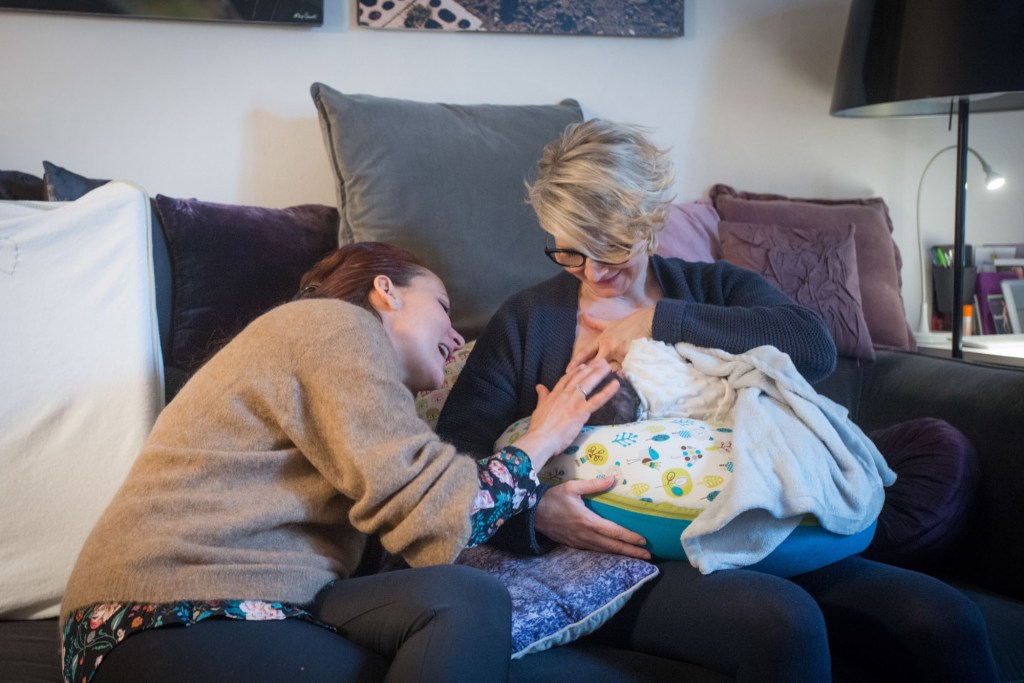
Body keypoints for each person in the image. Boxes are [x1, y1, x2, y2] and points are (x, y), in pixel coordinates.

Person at [436, 120, 998, 682]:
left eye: (613, 248)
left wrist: (658, 320)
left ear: (651, 223)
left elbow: (814, 346)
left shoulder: (712, 290)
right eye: (570, 253)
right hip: (617, 558)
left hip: (759, 530)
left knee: (944, 618)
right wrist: (534, 514)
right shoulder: (528, 322)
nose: (594, 271)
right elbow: (451, 464)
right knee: (781, 622)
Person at [59, 241, 620, 683]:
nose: (455, 338)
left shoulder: (346, 390)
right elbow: (442, 512)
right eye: (443, 308)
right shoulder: (332, 325)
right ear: (386, 291)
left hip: (251, 602)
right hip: (165, 610)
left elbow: (415, 540)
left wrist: (533, 508)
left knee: (463, 600)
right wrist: (544, 438)